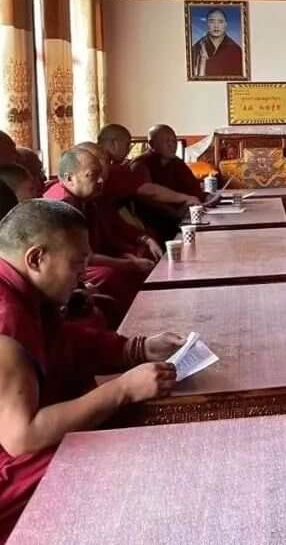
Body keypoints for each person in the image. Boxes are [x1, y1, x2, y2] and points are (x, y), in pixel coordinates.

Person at [0, 200, 181, 539]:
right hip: (10, 460)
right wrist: (122, 389)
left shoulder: (23, 291)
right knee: (116, 456)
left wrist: (135, 348)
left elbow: (62, 340)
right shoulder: (5, 316)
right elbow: (22, 438)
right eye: (76, 265)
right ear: (36, 258)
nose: (83, 275)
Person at [44, 148, 155, 325]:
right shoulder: (61, 207)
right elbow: (81, 256)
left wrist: (132, 252)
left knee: (134, 263)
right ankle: (130, 326)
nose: (102, 180)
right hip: (69, 267)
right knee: (111, 275)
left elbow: (108, 235)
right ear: (68, 178)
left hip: (87, 260)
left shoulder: (89, 200)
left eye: (101, 174)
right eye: (93, 175)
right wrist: (129, 263)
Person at [190, 8, 244, 78]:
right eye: (212, 21)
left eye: (220, 22)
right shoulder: (196, 48)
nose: (216, 26)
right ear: (207, 23)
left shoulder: (236, 50)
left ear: (226, 24)